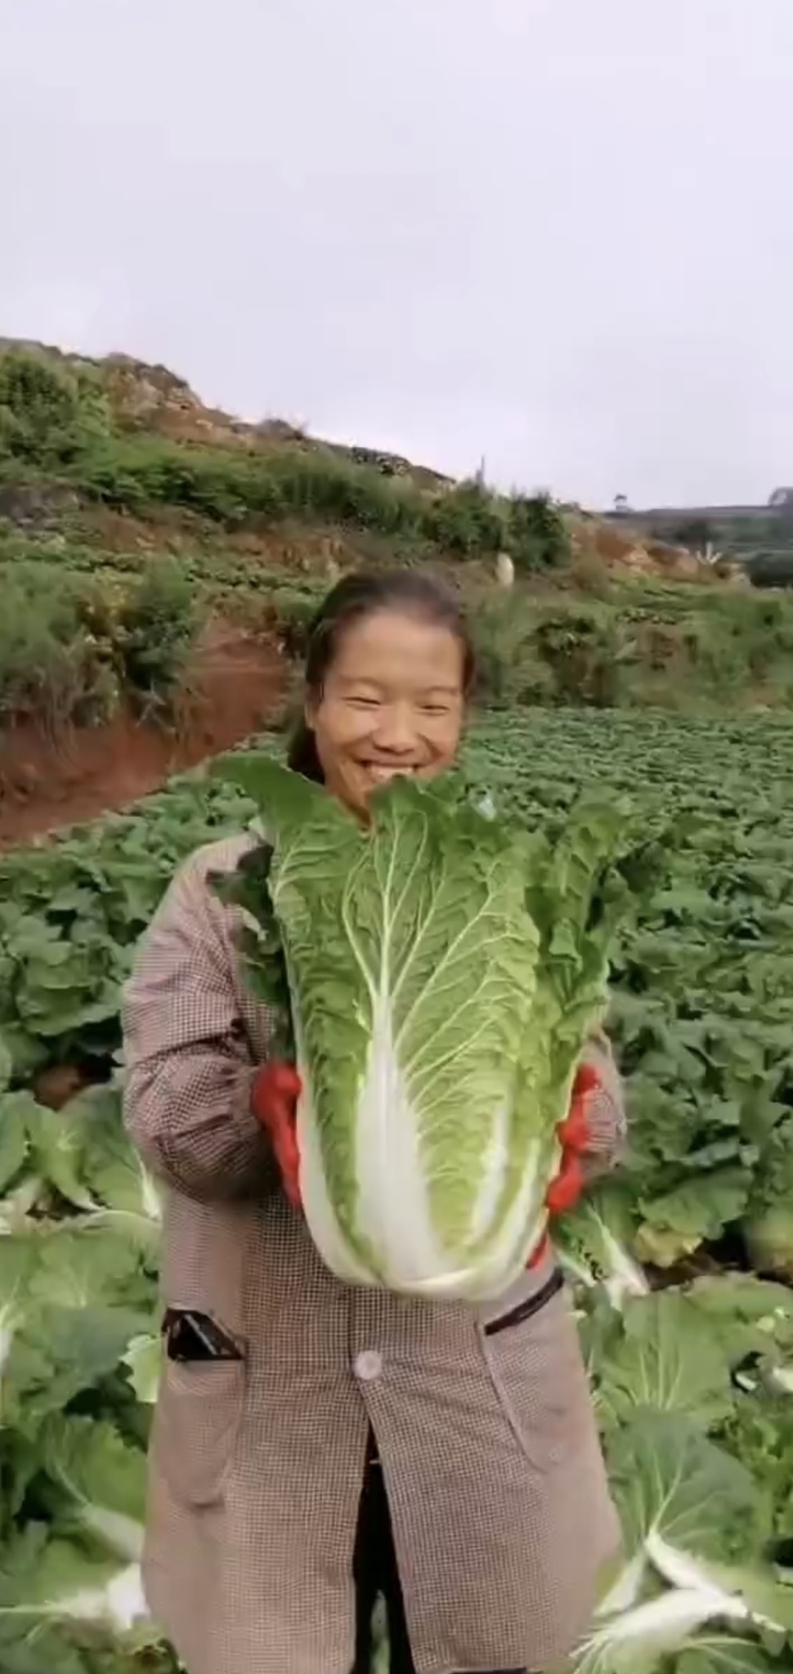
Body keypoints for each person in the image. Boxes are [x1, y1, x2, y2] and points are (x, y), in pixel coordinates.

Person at [122, 569, 626, 1674]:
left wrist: (562, 1122)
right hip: (274, 1403)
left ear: (463, 716)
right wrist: (262, 1113)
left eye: (431, 704)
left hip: (471, 1393)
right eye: (363, 697)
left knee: (491, 1640)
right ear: (312, 705)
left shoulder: (510, 881)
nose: (397, 733)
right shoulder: (216, 890)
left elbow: (599, 1102)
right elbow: (166, 1120)